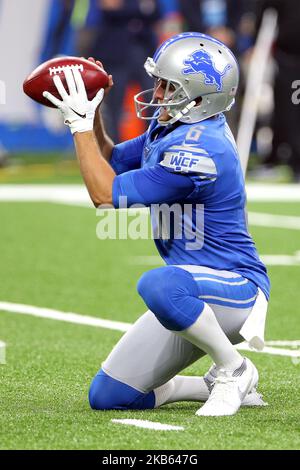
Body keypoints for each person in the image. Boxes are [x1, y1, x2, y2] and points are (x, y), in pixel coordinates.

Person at [43, 32, 270, 417]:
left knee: (157, 284)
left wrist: (77, 125)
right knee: (110, 396)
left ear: (198, 98)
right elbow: (111, 161)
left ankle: (233, 368)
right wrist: (94, 112)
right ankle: (204, 384)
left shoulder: (200, 151)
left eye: (169, 86)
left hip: (234, 288)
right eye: (159, 82)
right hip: (192, 294)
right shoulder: (177, 130)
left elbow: (104, 194)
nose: (158, 93)